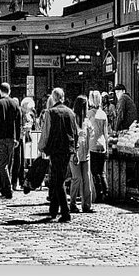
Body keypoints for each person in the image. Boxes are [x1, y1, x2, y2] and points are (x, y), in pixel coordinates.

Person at [38, 87, 78, 223]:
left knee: (58, 180)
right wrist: (75, 150)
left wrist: (41, 147)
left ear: (54, 98)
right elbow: (75, 132)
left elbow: (46, 132)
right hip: (67, 149)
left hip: (56, 150)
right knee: (56, 178)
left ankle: (65, 213)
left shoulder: (51, 112)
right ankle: (53, 210)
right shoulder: (70, 113)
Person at [69, 95, 94, 214]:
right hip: (75, 153)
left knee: (87, 179)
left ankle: (87, 205)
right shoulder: (73, 119)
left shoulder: (86, 121)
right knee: (77, 178)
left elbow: (92, 134)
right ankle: (72, 203)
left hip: (86, 152)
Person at [88, 90, 110, 202]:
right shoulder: (103, 114)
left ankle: (99, 193)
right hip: (102, 144)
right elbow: (106, 132)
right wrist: (107, 146)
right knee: (102, 172)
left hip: (93, 144)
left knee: (94, 171)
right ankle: (106, 192)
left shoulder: (90, 114)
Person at [14, 97, 35, 192]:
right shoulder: (19, 112)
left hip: (22, 138)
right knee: (17, 161)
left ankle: (21, 181)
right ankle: (15, 181)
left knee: (21, 161)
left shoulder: (26, 114)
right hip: (18, 138)